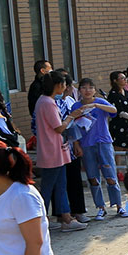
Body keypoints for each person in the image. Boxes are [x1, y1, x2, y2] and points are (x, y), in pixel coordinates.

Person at [33, 72, 87, 232]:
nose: (66, 87)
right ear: (57, 85)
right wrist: (72, 116)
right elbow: (59, 127)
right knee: (48, 187)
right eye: (63, 84)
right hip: (52, 150)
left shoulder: (45, 101)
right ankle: (39, 220)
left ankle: (66, 218)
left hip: (57, 149)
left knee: (60, 185)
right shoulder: (47, 103)